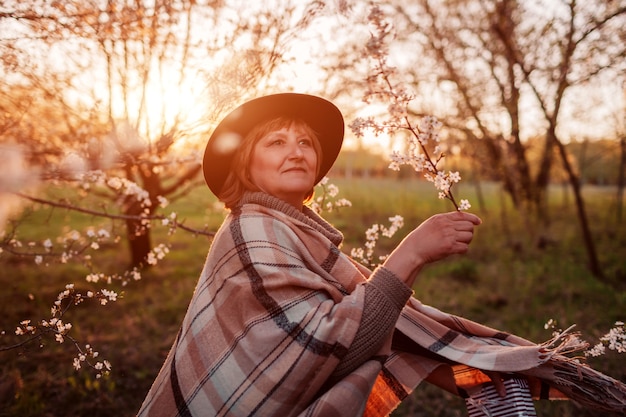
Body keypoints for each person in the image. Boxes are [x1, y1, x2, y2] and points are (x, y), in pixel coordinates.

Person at [138, 93, 626, 417]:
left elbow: (348, 330)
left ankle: (494, 386)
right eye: (277, 141)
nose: (298, 151)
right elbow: (339, 346)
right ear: (247, 161)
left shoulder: (291, 228)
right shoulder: (252, 231)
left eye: (306, 142)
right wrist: (409, 254)